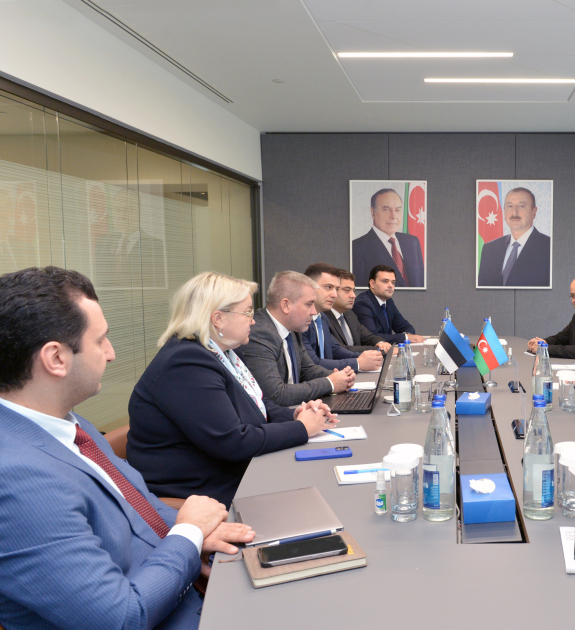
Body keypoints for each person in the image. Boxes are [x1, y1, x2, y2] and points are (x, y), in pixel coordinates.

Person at [0, 266, 255, 629]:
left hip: (183, 588)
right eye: (100, 340)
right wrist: (188, 535)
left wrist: (203, 534)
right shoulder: (16, 479)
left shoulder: (71, 424)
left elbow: (141, 510)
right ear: (56, 358)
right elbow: (122, 619)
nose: (112, 353)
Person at [127, 271, 340, 508]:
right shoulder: (186, 363)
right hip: (205, 491)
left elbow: (256, 404)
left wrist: (295, 415)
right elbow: (233, 442)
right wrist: (302, 428)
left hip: (234, 473)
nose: (253, 320)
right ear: (218, 319)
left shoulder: (225, 352)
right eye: (247, 312)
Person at [236, 271, 355, 406]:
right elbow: (276, 394)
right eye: (309, 304)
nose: (314, 312)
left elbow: (307, 369)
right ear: (286, 305)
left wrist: (339, 376)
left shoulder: (293, 327)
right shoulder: (259, 334)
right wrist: (330, 383)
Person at [302, 263, 384, 372]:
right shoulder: (300, 321)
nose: (334, 295)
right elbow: (313, 364)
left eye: (336, 289)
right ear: (309, 287)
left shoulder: (321, 318)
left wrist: (366, 358)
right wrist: (358, 363)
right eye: (328, 287)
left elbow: (335, 349)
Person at [477, 186, 551, 287]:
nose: (514, 212)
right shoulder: (490, 249)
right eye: (510, 206)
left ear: (534, 212)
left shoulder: (549, 247)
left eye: (521, 206)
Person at [351, 188, 425, 288]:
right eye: (386, 209)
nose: (393, 216)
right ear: (373, 212)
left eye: (397, 210)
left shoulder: (412, 242)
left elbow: (421, 282)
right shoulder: (357, 247)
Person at [353, 264, 425, 344]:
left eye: (393, 282)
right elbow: (372, 337)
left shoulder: (388, 302)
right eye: (385, 281)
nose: (390, 285)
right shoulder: (363, 304)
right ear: (372, 283)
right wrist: (406, 337)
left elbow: (406, 327)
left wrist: (407, 335)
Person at [325, 268, 392, 353]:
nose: (353, 295)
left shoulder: (350, 314)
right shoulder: (324, 318)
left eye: (353, 291)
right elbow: (341, 349)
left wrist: (380, 343)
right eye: (347, 290)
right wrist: (379, 350)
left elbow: (367, 336)